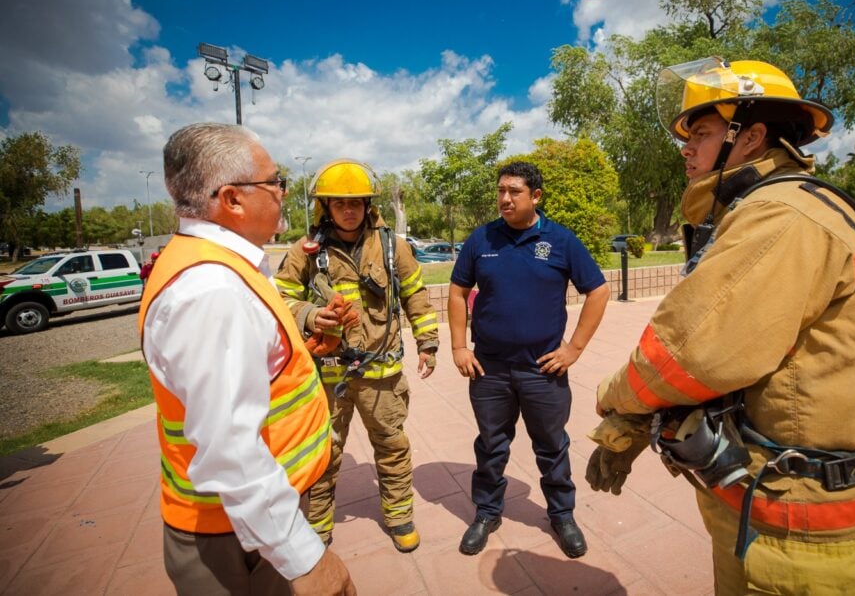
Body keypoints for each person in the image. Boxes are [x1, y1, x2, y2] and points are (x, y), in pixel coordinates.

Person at [587, 58, 855, 594]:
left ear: (749, 137)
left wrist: (614, 409)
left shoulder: (780, 217)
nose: (685, 148)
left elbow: (684, 357)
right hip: (784, 507)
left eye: (700, 133)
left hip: (795, 535)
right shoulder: (791, 204)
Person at [139, 123, 356, 595]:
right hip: (237, 535)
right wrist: (306, 560)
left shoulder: (224, 265)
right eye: (275, 181)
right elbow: (229, 448)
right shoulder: (211, 290)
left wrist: (301, 350)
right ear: (233, 199)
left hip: (245, 521)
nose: (282, 192)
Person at [448, 160, 610, 558]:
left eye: (514, 191)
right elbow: (456, 291)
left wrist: (573, 348)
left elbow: (599, 291)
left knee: (552, 445)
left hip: (543, 370)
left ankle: (562, 515)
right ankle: (487, 513)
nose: (505, 199)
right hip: (489, 369)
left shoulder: (561, 240)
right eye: (501, 191)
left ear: (535, 196)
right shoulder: (482, 239)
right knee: (491, 444)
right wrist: (458, 346)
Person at [275, 159, 439, 552]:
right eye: (340, 203)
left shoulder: (390, 246)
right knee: (323, 453)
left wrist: (428, 341)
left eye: (357, 203)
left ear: (368, 206)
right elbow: (279, 298)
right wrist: (312, 315)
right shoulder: (306, 251)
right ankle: (318, 527)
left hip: (382, 374)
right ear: (326, 207)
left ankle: (399, 516)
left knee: (391, 445)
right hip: (328, 377)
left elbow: (415, 291)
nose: (349, 210)